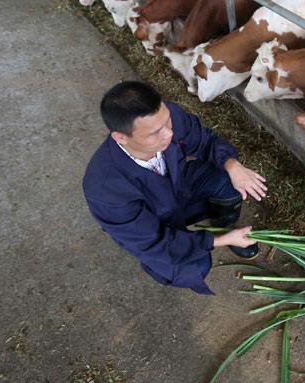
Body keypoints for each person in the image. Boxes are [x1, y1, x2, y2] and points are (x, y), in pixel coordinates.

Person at [82, 81, 267, 295]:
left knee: (227, 176)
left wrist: (232, 165)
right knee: (194, 266)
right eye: (155, 133)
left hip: (178, 186)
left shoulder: (164, 119)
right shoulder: (105, 190)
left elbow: (205, 140)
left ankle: (225, 223)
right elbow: (155, 244)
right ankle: (222, 237)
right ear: (121, 137)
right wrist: (220, 241)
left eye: (167, 120)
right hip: (154, 220)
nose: (169, 133)